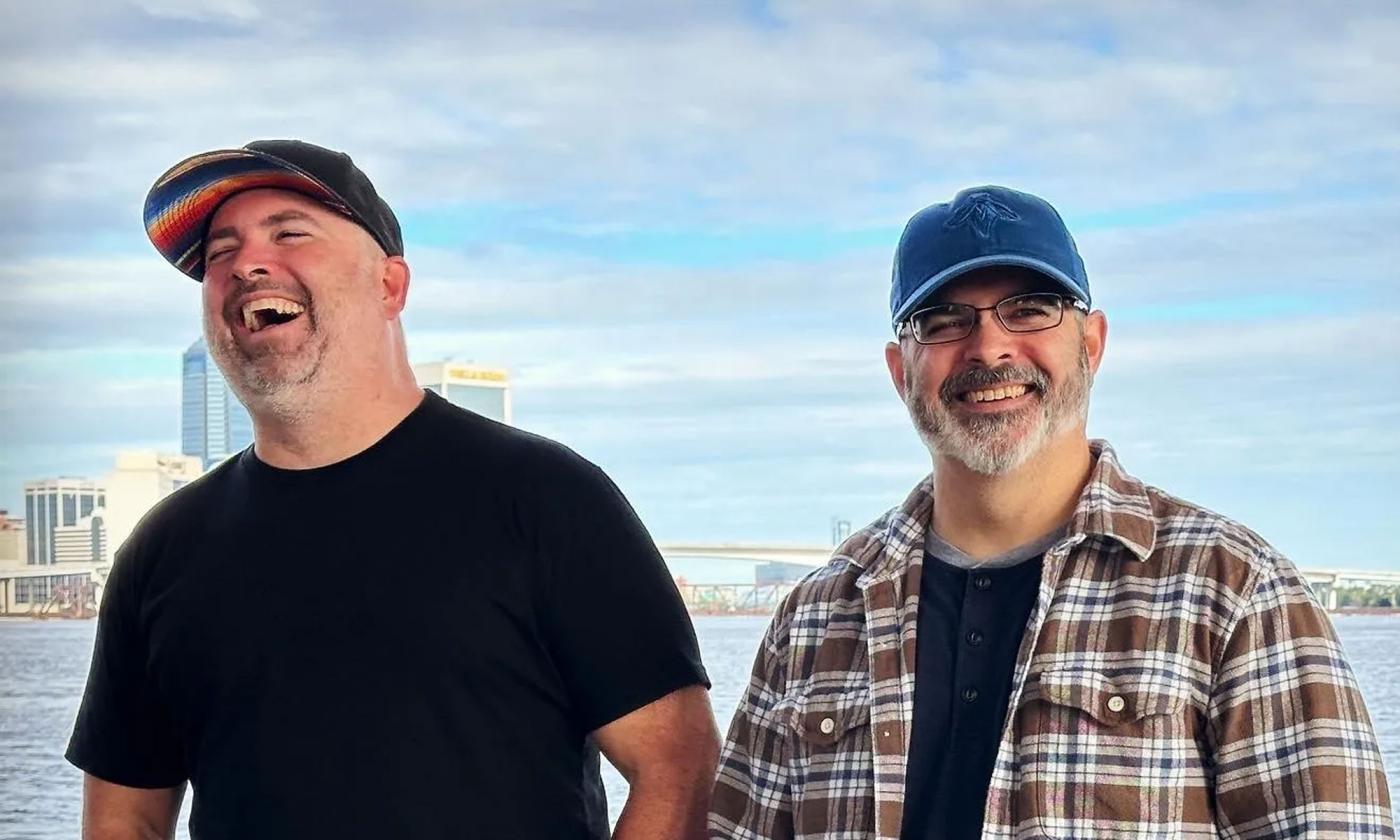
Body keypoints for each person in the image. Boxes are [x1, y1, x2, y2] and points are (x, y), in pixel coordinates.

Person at [67, 140, 720, 840]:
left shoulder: (545, 498)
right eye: (220, 252)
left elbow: (676, 766)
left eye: (290, 233)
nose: (246, 264)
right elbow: (125, 818)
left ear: (390, 286)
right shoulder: (163, 548)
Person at [709, 185, 1394, 839]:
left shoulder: (1233, 592)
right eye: (943, 321)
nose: (988, 347)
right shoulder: (813, 621)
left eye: (1031, 309)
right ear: (899, 370)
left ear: (1091, 344)